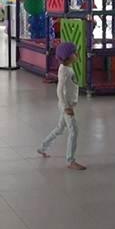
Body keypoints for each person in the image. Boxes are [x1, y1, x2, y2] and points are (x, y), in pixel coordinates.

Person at [37, 42, 87, 170]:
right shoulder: (65, 71)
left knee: (60, 128)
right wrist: (66, 107)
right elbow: (59, 90)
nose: (77, 55)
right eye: (75, 53)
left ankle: (42, 147)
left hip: (67, 104)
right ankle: (71, 161)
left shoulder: (66, 67)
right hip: (66, 106)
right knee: (74, 130)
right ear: (68, 57)